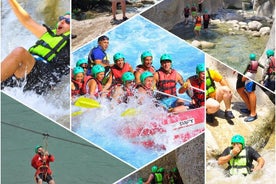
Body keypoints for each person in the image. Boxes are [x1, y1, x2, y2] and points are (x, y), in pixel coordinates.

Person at [1, 0, 70, 95]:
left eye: (68, 21)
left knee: (19, 52)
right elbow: (26, 20)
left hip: (44, 76)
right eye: (62, 18)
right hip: (30, 69)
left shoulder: (69, 42)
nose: (62, 21)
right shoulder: (48, 34)